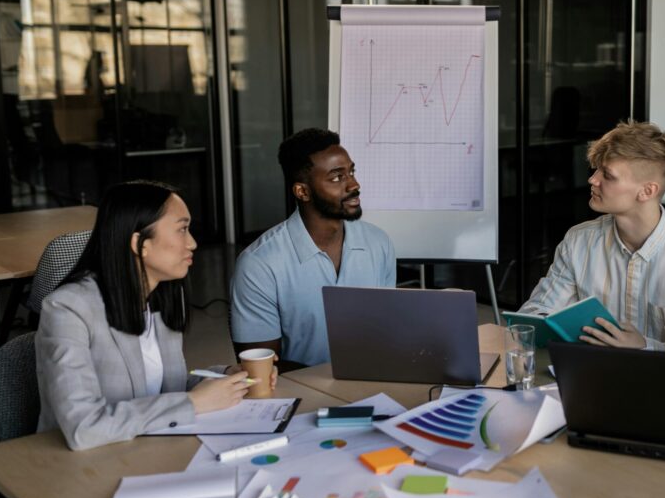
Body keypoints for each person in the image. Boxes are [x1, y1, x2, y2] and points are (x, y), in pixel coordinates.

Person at [33, 181, 275, 453]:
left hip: (148, 450)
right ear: (139, 243)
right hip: (81, 466)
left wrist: (226, 378)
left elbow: (163, 387)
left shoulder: (162, 296)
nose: (193, 243)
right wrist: (193, 403)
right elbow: (82, 426)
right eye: (182, 229)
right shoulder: (68, 309)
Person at [519, 120, 665, 351]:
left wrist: (644, 347)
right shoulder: (579, 241)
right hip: (591, 373)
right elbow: (535, 313)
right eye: (596, 169)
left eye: (607, 175)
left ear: (647, 191)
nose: (593, 179)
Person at [230, 128, 396, 369]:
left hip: (374, 383)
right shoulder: (259, 264)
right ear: (303, 191)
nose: (354, 184)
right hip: (305, 397)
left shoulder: (379, 242)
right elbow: (260, 371)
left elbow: (390, 332)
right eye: (337, 177)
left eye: (351, 172)